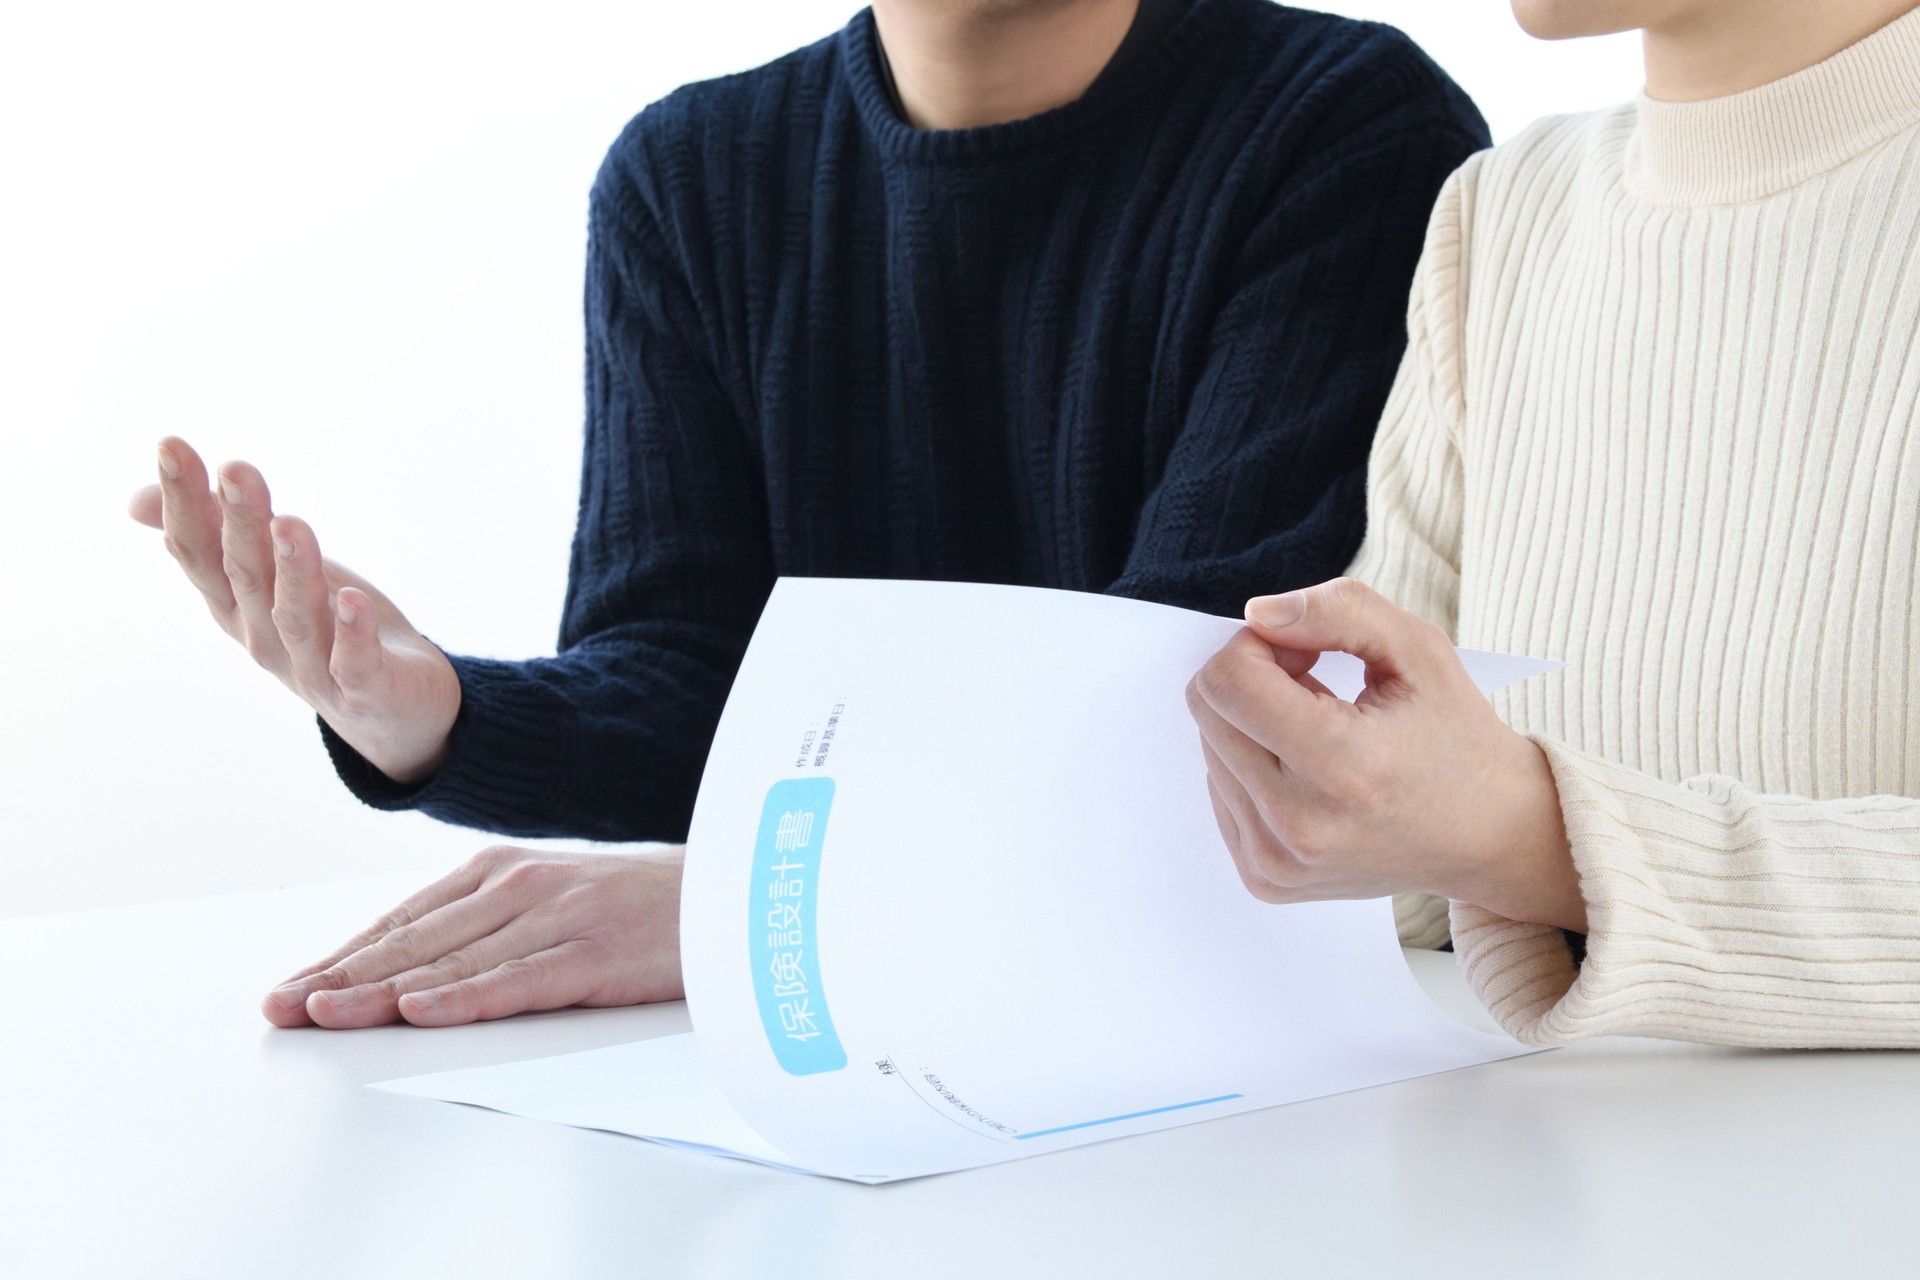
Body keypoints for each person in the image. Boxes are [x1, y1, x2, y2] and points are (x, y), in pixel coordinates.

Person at [129, 0, 1489, 1027]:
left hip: (1223, 1026)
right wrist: (437, 719)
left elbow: (1197, 698)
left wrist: (760, 913)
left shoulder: (1348, 129)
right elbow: (700, 691)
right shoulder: (689, 177)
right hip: (865, 1051)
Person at [1187, 0, 1920, 1046]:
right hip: (1532, 1186)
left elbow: (1456, 829)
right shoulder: (1504, 213)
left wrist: (1535, 837)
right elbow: (1374, 864)